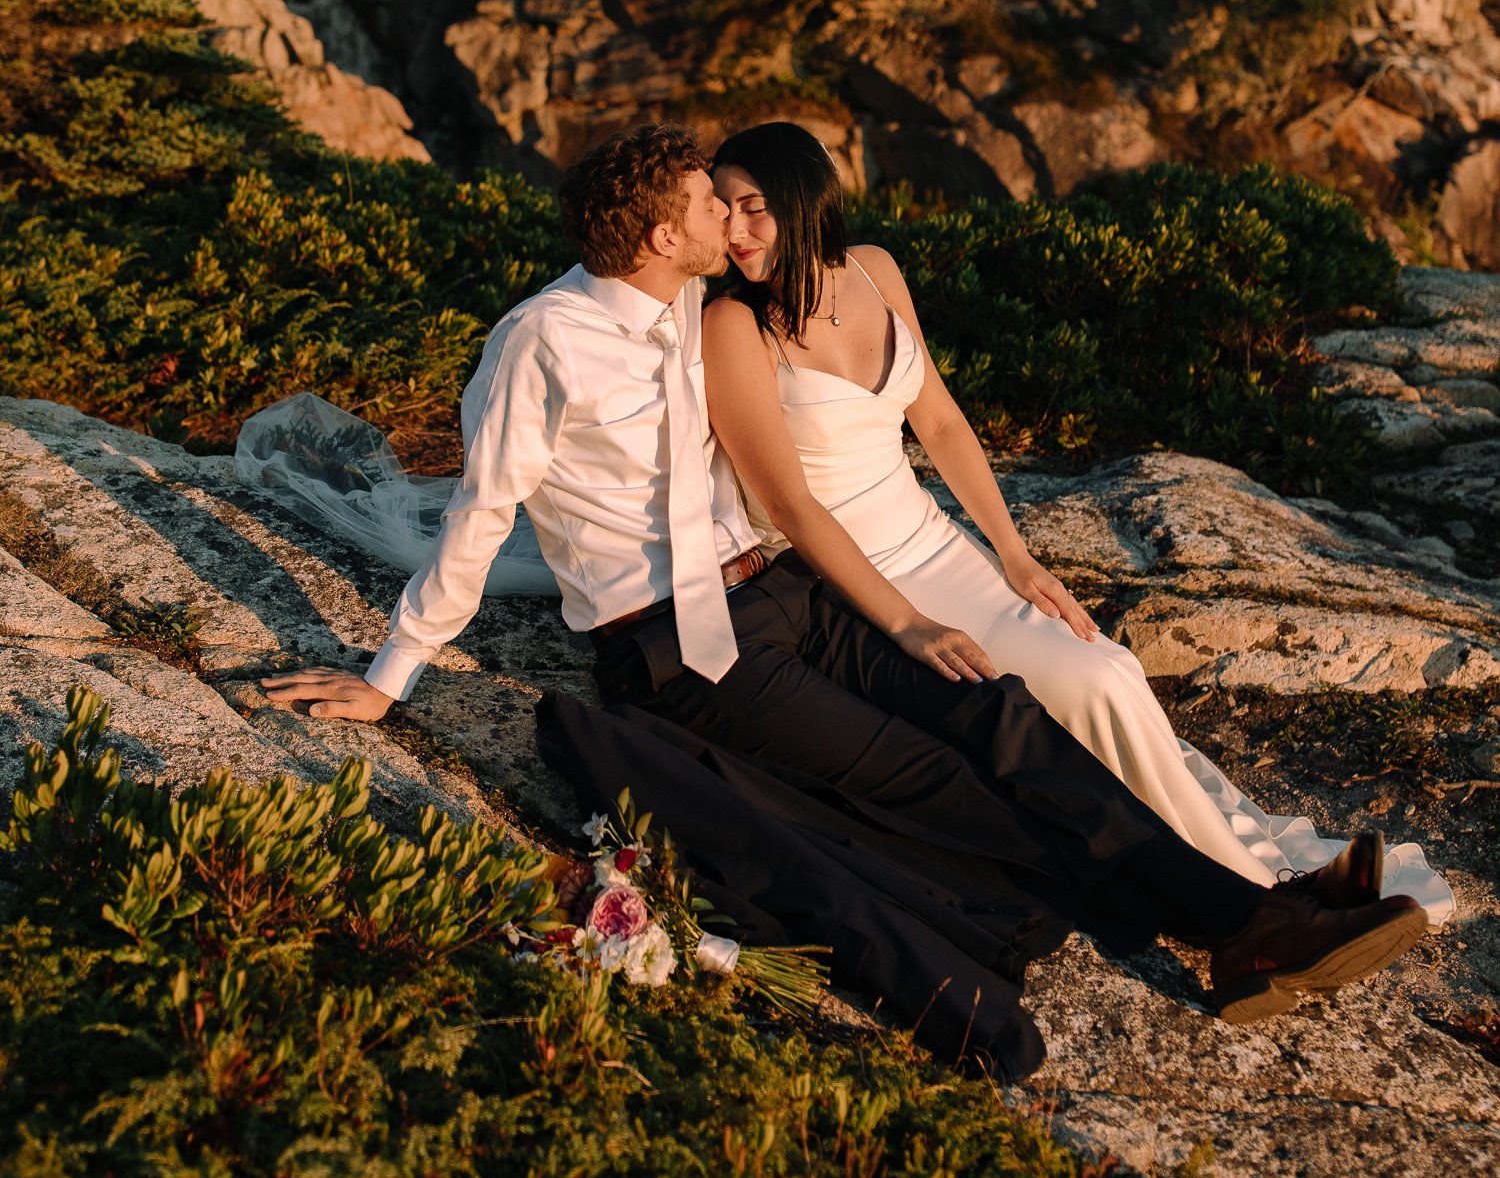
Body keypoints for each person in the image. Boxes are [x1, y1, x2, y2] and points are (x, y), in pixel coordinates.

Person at [262, 124, 1429, 1075]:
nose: (735, 215)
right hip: (676, 644)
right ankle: (1233, 928)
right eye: (713, 205)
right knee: (935, 779)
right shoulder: (540, 345)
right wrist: (388, 676)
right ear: (667, 234)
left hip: (782, 590)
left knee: (1000, 714)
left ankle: (1253, 911)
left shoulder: (691, 303)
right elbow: (477, 517)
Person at [704, 122, 1454, 916]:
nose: (736, 230)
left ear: (802, 198)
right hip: (855, 577)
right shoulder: (736, 325)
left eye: (754, 206)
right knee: (1086, 685)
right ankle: (1263, 897)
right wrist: (907, 625)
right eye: (720, 209)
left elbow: (944, 423)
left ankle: (1250, 868)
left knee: (1110, 669)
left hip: (934, 540)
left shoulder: (875, 269)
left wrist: (1015, 555)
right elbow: (788, 503)